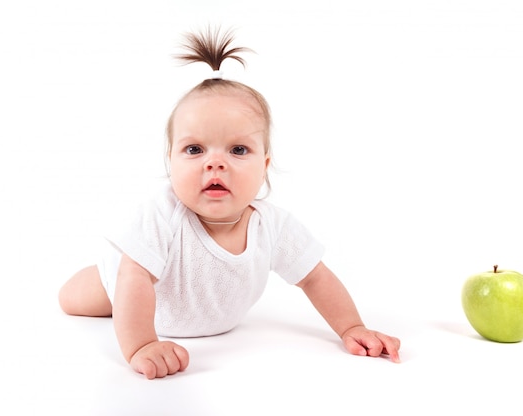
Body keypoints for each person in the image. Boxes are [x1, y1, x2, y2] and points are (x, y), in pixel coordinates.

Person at [58, 27, 401, 380]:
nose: (215, 163)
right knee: (72, 299)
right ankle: (101, 277)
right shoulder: (161, 216)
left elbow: (316, 277)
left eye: (238, 150)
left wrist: (351, 327)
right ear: (170, 161)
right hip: (129, 290)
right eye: (194, 150)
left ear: (264, 165)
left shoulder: (273, 227)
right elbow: (134, 275)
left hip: (198, 315)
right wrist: (142, 344)